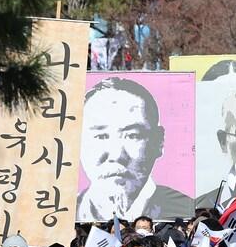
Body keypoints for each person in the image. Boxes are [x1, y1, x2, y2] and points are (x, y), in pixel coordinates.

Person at [77, 78, 193, 223]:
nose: (117, 155)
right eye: (101, 136)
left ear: (158, 142)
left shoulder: (184, 213)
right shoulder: (64, 216)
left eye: (132, 135)